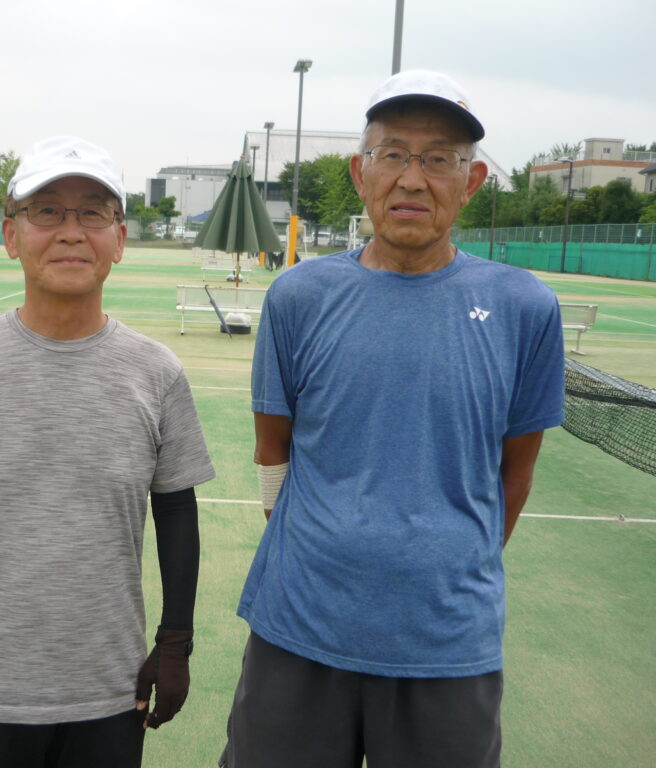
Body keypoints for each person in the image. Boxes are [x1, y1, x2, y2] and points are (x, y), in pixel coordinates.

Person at [220, 71, 566, 768]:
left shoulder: (525, 306)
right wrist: (325, 558)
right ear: (361, 173)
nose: (413, 179)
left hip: (448, 642)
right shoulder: (298, 296)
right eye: (393, 155)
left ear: (470, 182)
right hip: (298, 628)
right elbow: (271, 452)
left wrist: (444, 567)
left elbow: (516, 473)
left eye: (439, 158)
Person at [0, 135, 215, 768]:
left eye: (93, 212)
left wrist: (175, 642)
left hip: (110, 687)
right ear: (11, 235)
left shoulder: (158, 372)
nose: (71, 232)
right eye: (47, 211)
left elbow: (176, 512)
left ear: (119, 238)